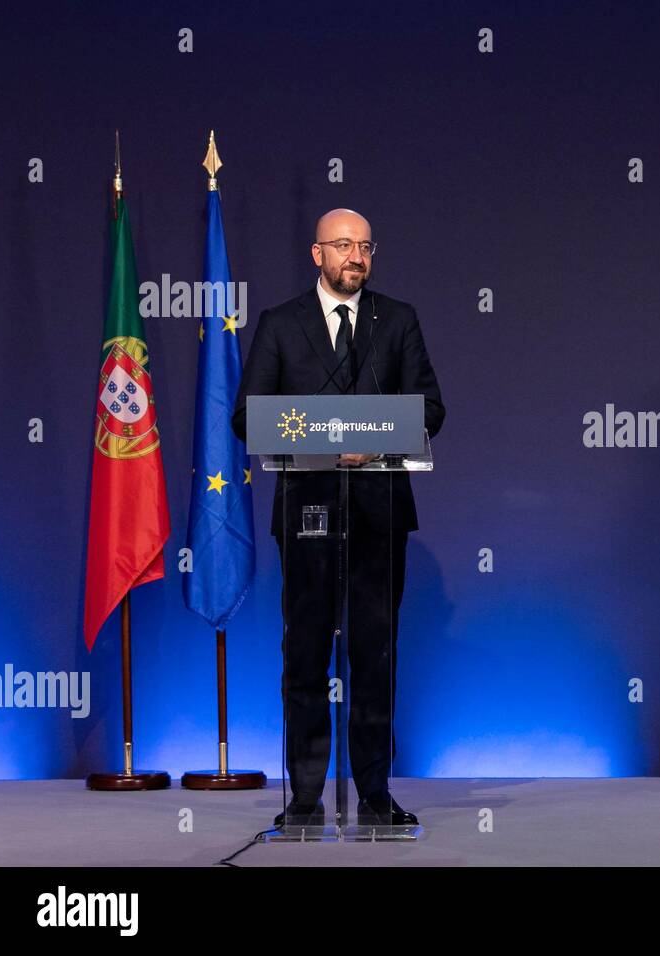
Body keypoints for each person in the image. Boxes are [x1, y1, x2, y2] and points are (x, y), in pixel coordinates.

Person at [232, 208, 445, 827]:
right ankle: (303, 796)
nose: (357, 255)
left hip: (379, 512)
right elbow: (248, 415)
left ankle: (375, 794)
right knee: (304, 655)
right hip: (307, 513)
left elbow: (431, 407)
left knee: (374, 655)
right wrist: (328, 444)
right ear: (316, 253)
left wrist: (374, 442)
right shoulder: (279, 325)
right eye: (344, 245)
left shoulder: (397, 320)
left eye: (366, 246)